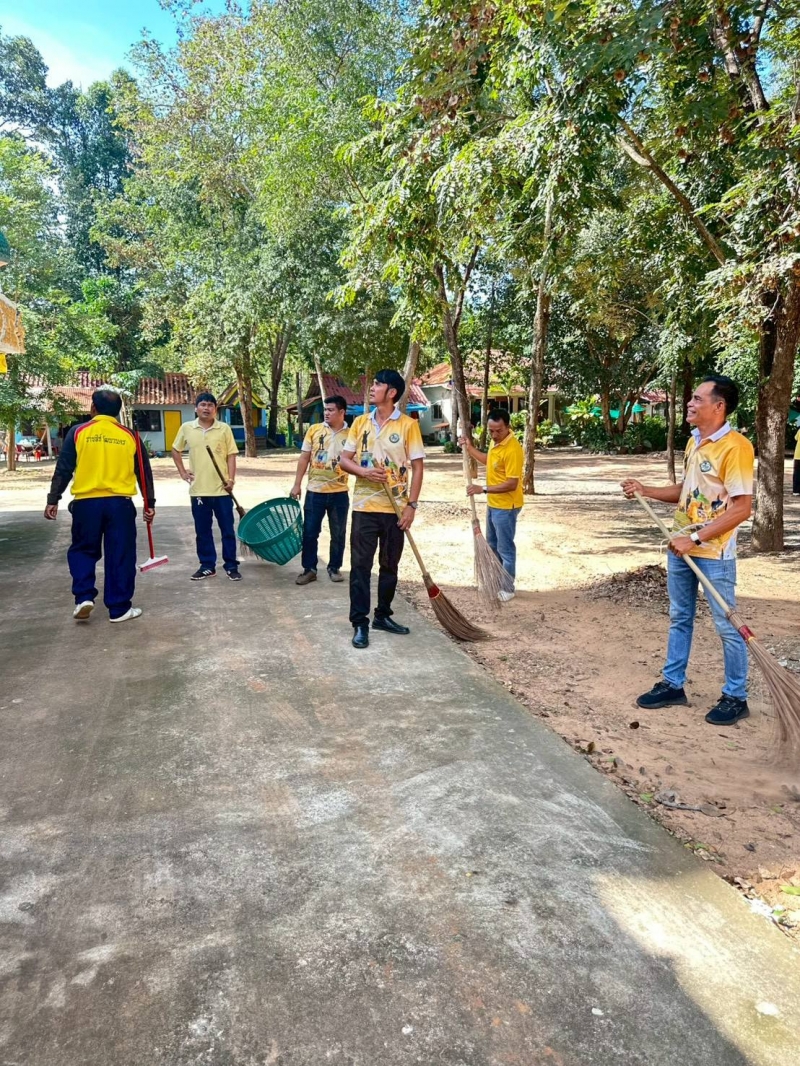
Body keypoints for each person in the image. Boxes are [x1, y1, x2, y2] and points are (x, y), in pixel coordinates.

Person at [621, 375, 754, 726]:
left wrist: (695, 540)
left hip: (713, 553)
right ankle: (673, 684)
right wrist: (646, 490)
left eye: (697, 399)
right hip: (681, 546)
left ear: (719, 406)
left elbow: (742, 508)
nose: (689, 404)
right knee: (680, 617)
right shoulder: (695, 441)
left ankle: (735, 696)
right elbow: (688, 490)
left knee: (727, 624)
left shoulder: (736, 447)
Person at [43, 389, 155, 623]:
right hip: (120, 505)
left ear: (93, 408)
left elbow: (64, 468)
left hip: (86, 505)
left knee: (83, 550)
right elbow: (143, 473)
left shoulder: (78, 432)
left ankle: (84, 597)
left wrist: (53, 499)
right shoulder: (131, 436)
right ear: (118, 411)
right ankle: (119, 609)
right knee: (120, 554)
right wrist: (149, 503)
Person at [338, 369, 425, 649]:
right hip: (364, 507)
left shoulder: (408, 425)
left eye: (377, 384)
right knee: (360, 567)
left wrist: (411, 505)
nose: (372, 388)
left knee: (389, 566)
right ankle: (359, 623)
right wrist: (364, 472)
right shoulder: (360, 422)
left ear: (392, 392)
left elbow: (418, 467)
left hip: (396, 509)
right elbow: (344, 460)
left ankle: (383, 615)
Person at [171, 392, 241, 581]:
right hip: (199, 491)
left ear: (215, 409)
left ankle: (231, 565)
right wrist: (183, 472)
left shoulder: (224, 429)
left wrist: (231, 480)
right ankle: (207, 566)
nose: (206, 408)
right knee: (203, 531)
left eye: (210, 405)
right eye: (203, 404)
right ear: (196, 408)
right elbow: (175, 450)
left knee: (227, 530)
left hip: (222, 490)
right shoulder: (187, 428)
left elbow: (231, 455)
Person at [459, 408, 524, 601]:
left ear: (508, 427)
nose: (494, 435)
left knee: (505, 549)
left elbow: (512, 483)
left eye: (499, 431)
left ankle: (508, 588)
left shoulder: (512, 449)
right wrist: (469, 448)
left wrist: (483, 489)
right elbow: (490, 461)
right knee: (493, 545)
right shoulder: (495, 443)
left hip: (507, 507)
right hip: (493, 504)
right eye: (491, 431)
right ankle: (495, 582)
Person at [290, 395, 350, 585]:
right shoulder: (314, 430)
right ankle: (309, 569)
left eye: (331, 410)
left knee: (338, 533)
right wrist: (297, 484)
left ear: (342, 412)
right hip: (315, 491)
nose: (326, 413)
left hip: (340, 492)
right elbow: (304, 458)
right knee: (309, 532)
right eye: (325, 409)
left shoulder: (352, 434)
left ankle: (334, 568)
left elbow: (356, 461)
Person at [793, 424, 800, 496]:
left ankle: (796, 491)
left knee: (797, 473)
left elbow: (796, 438)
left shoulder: (799, 430)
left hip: (798, 455)